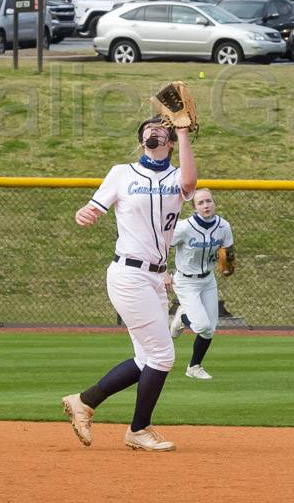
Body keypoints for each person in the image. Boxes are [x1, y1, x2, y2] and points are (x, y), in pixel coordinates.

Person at [62, 116, 197, 452]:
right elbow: (93, 207)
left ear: (167, 141)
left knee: (145, 359)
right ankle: (138, 429)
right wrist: (85, 213)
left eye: (160, 129)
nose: (154, 130)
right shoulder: (122, 173)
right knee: (163, 355)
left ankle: (83, 402)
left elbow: (190, 182)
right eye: (148, 129)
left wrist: (182, 133)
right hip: (128, 274)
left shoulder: (175, 176)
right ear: (141, 141)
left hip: (155, 277)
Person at [168, 188, 234, 380]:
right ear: (195, 207)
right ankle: (182, 318)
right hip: (186, 281)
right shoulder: (184, 227)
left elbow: (228, 249)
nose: (206, 205)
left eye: (208, 201)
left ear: (214, 203)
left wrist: (228, 263)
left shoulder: (223, 226)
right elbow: (162, 246)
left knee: (210, 328)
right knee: (203, 326)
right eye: (201, 203)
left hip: (208, 280)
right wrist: (163, 273)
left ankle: (194, 367)